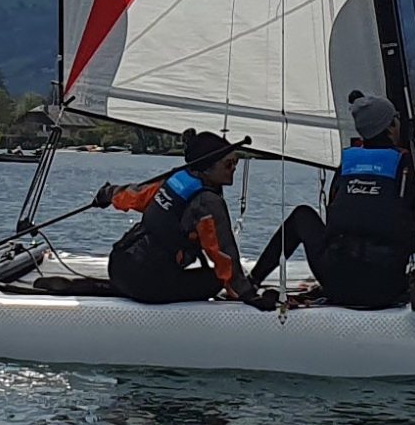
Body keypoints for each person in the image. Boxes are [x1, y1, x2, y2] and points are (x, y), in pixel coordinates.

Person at [249, 90, 415, 310]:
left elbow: (333, 217)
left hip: (334, 281)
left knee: (302, 215)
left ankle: (250, 282)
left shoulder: (348, 165)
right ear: (390, 127)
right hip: (386, 286)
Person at [97, 131, 279, 309]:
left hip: (118, 267)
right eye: (228, 164)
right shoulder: (208, 203)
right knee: (215, 281)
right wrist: (250, 296)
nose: (234, 169)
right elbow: (224, 254)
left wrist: (105, 194)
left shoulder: (174, 180)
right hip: (146, 285)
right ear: (207, 168)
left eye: (236, 162)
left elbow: (132, 194)